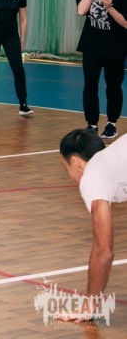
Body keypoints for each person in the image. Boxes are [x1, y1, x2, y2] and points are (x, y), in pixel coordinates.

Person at [58, 128, 126, 321]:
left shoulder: (93, 177)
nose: (69, 176)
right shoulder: (115, 162)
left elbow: (104, 251)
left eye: (65, 168)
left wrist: (88, 306)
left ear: (75, 162)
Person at [76, 0, 127, 139]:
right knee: (90, 85)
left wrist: (109, 8)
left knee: (113, 86)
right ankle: (91, 124)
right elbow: (81, 11)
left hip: (115, 48)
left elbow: (125, 23)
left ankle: (112, 123)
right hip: (91, 47)